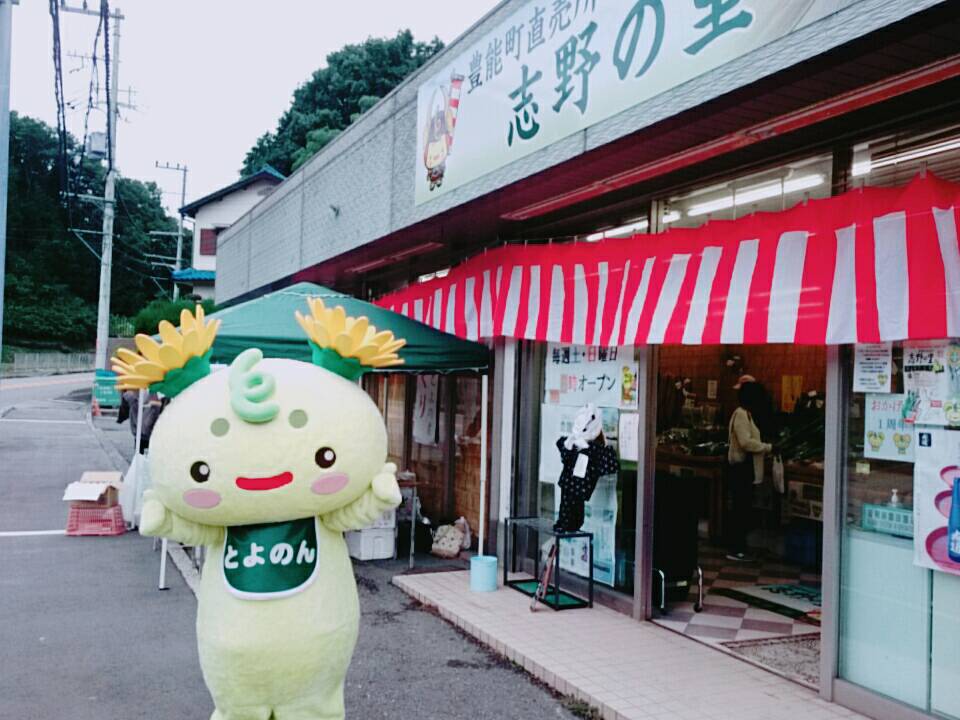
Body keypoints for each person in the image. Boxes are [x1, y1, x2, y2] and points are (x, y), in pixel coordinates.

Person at [726, 376, 773, 562]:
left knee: (742, 508)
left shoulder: (747, 414)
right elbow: (745, 442)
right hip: (741, 470)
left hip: (743, 469)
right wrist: (767, 447)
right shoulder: (741, 414)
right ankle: (736, 548)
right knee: (740, 509)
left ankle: (740, 546)